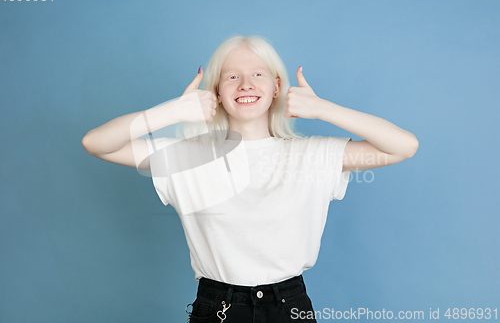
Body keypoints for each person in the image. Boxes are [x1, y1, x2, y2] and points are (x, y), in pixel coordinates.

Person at [82, 35, 419, 323]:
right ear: (215, 92)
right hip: (217, 308)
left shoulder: (314, 155)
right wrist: (171, 112)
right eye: (232, 77)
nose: (245, 84)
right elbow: (95, 143)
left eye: (257, 74)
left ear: (276, 87)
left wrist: (323, 109)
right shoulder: (185, 157)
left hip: (290, 308)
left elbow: (404, 146)